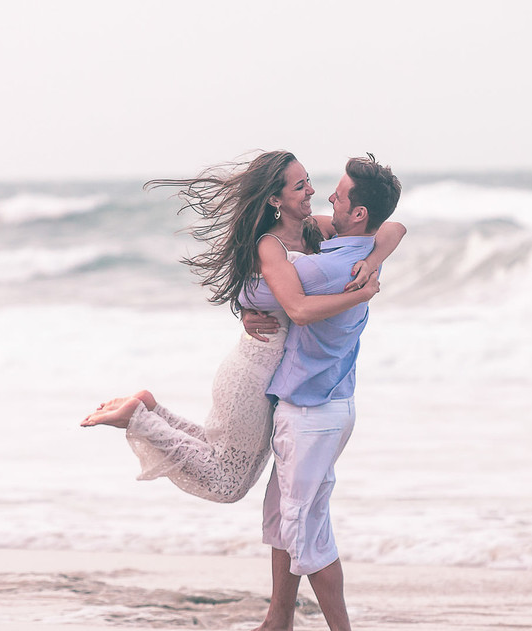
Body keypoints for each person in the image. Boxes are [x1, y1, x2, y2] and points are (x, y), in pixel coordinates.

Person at [80, 151, 405, 507]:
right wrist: (363, 293)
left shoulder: (317, 230)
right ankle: (137, 417)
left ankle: (149, 409)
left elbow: (391, 228)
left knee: (222, 458)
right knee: (229, 483)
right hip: (253, 375)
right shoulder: (270, 244)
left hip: (274, 378)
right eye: (300, 186)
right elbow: (296, 308)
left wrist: (370, 262)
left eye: (308, 180)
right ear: (275, 199)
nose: (313, 190)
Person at [220, 154, 403, 631]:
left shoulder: (323, 262)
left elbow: (293, 304)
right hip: (326, 404)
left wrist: (251, 300)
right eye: (305, 186)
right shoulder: (350, 246)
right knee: (284, 514)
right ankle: (278, 626)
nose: (323, 197)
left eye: (335, 195)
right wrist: (370, 268)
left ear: (358, 214)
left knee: (305, 522)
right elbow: (398, 227)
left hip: (311, 412)